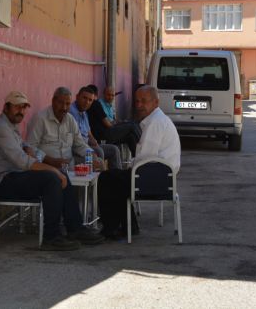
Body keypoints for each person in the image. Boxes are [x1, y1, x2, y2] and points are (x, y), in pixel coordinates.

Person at [0, 90, 102, 251]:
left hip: (14, 175)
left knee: (58, 175)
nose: (21, 111)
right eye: (17, 107)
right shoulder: (1, 128)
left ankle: (75, 228)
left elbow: (26, 148)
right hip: (0, 181)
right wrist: (52, 167)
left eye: (24, 108)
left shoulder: (11, 127)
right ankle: (51, 236)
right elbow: (22, 160)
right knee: (52, 178)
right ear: (6, 107)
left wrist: (90, 156)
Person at [98, 85, 181, 239]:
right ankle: (128, 226)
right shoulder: (157, 119)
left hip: (154, 179)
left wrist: (130, 166)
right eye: (137, 101)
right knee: (116, 177)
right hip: (162, 178)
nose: (139, 105)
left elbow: (145, 158)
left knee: (107, 178)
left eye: (144, 101)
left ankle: (111, 228)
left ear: (156, 103)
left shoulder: (155, 123)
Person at [69, 86, 121, 169]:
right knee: (98, 152)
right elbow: (76, 140)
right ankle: (101, 179)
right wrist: (91, 145)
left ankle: (116, 177)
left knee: (114, 149)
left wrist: (93, 140)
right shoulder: (71, 112)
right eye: (84, 98)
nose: (87, 102)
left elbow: (88, 131)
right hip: (79, 148)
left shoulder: (84, 112)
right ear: (77, 97)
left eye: (90, 100)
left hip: (87, 145)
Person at [86, 85, 141, 157]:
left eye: (112, 95)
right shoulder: (96, 103)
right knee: (132, 126)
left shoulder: (89, 106)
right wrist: (119, 126)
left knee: (130, 136)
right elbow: (108, 124)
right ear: (97, 94)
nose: (111, 97)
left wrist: (120, 124)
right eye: (109, 95)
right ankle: (143, 149)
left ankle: (137, 158)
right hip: (103, 135)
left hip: (102, 134)